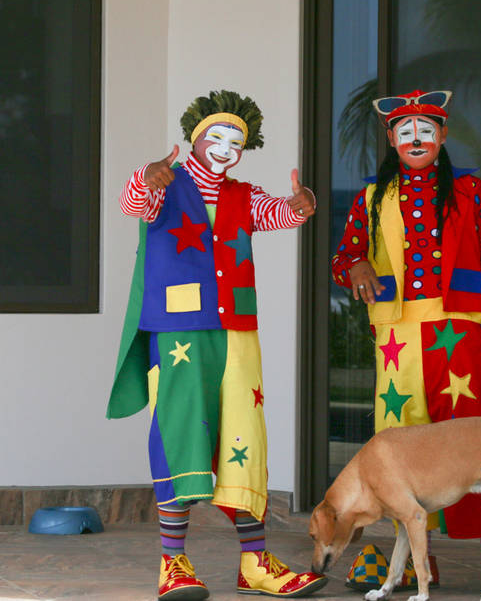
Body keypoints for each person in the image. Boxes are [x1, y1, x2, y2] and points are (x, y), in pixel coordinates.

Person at [331, 89, 481, 598]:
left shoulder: (470, 190)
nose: (416, 138)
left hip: (458, 332)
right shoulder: (371, 197)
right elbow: (344, 256)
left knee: (474, 448)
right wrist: (356, 265)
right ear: (392, 140)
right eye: (405, 131)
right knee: (400, 453)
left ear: (442, 136)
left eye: (426, 129)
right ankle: (420, 564)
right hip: (397, 336)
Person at [106, 90, 326, 599]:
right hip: (179, 332)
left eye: (236, 141)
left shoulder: (243, 195)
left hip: (237, 332)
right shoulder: (167, 185)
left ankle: (255, 561)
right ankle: (173, 563)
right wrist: (145, 176)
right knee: (180, 432)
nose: (226, 148)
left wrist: (301, 205)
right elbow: (133, 203)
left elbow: (278, 214)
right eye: (217, 137)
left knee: (245, 437)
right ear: (196, 139)